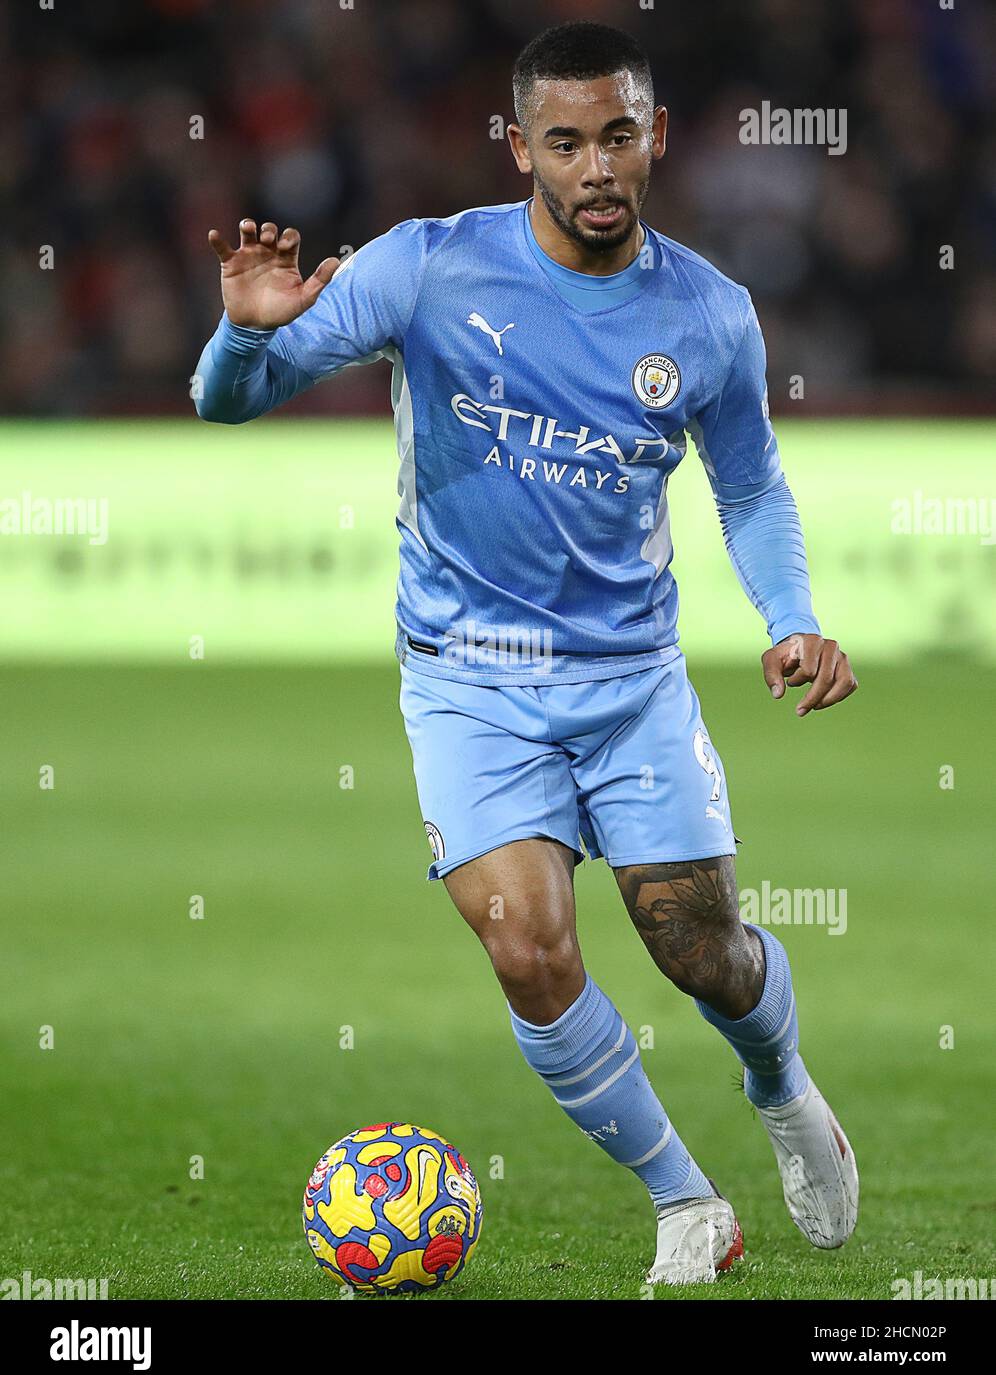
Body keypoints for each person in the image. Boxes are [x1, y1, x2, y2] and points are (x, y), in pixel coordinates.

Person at [193, 19, 859, 1285]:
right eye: (566, 141)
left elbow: (752, 488)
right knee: (529, 947)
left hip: (630, 684)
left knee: (699, 949)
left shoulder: (710, 316)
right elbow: (226, 399)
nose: (597, 165)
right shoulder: (428, 269)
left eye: (619, 136)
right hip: (465, 678)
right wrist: (245, 332)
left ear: (655, 137)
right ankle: (685, 1201)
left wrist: (792, 619)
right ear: (521, 151)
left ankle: (780, 1083)